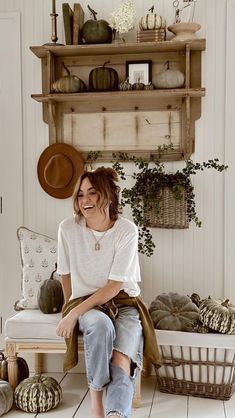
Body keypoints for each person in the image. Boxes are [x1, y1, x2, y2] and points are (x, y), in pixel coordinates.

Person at [56, 167, 161, 418]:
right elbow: (65, 274)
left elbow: (115, 286)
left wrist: (73, 315)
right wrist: (72, 308)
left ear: (109, 196)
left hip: (124, 303)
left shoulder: (126, 230)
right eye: (80, 195)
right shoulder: (68, 229)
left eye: (92, 193)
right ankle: (97, 405)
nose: (85, 201)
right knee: (100, 326)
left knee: (121, 359)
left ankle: (116, 414)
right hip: (86, 304)